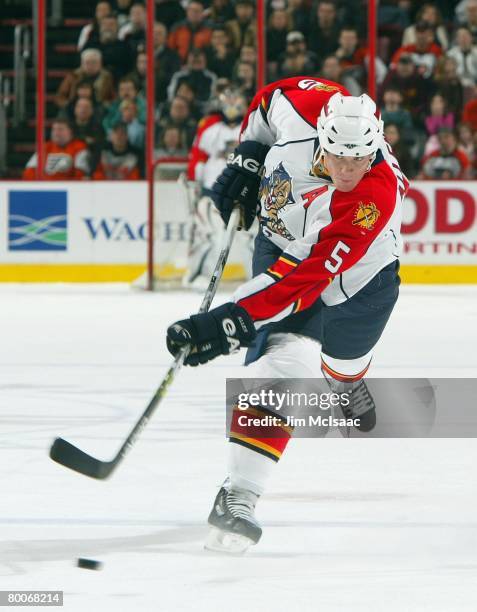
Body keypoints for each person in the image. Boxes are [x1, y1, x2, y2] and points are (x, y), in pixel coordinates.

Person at [166, 77, 409, 553]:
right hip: (281, 250)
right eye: (338, 155)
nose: (347, 169)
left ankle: (343, 382)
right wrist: (249, 153)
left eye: (359, 158)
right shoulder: (303, 106)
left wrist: (227, 322)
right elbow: (266, 99)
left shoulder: (372, 196)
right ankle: (239, 495)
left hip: (363, 282)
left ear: (376, 145)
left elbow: (305, 277)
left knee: (344, 367)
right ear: (321, 134)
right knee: (286, 365)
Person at [185, 87, 251, 288]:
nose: (232, 108)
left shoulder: (251, 128)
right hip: (211, 194)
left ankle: (257, 278)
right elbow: (199, 157)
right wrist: (194, 183)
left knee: (250, 239)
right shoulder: (210, 128)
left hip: (246, 195)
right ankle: (200, 275)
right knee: (209, 237)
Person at [23, 119, 90, 180]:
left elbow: (80, 173)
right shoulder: (45, 147)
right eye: (54, 129)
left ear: (70, 132)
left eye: (60, 129)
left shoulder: (79, 147)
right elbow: (29, 171)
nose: (56, 133)